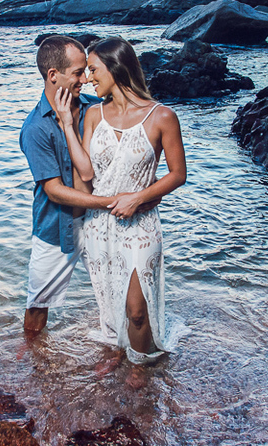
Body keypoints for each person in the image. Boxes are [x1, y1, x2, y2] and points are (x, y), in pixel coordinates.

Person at [54, 36, 186, 364]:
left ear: (116, 68)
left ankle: (142, 364)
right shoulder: (94, 115)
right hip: (99, 226)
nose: (87, 78)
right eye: (85, 72)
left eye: (94, 70)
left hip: (139, 224)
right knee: (109, 298)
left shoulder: (162, 117)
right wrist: (68, 125)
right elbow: (84, 173)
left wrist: (140, 197)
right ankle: (118, 348)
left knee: (137, 309)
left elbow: (177, 174)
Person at [18, 35, 117, 338]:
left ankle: (119, 357)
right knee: (38, 305)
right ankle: (33, 368)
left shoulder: (96, 108)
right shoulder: (35, 127)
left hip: (102, 222)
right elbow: (53, 190)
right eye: (77, 73)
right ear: (53, 75)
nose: (85, 79)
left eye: (86, 71)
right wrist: (110, 200)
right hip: (57, 227)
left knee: (116, 293)